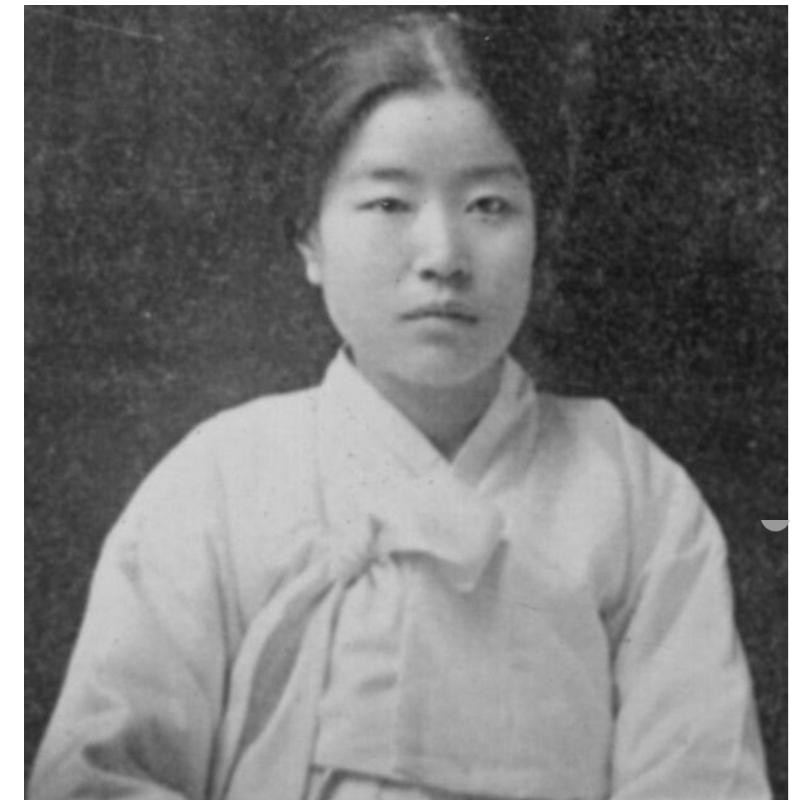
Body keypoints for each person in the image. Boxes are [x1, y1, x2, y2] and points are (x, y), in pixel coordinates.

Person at [29, 10, 771, 800]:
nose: (443, 256)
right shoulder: (220, 480)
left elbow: (702, 776)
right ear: (309, 238)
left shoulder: (633, 493)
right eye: (388, 204)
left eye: (489, 206)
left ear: (539, 230)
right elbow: (95, 777)